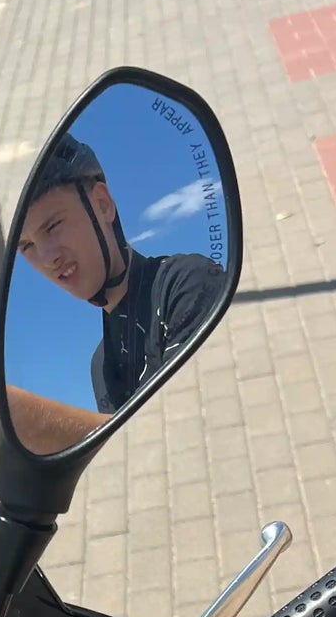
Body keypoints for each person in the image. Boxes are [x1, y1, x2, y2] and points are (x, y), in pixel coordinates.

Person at [16, 133, 227, 415]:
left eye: (53, 227)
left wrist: (34, 417)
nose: (47, 258)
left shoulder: (185, 282)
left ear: (102, 205)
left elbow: (183, 418)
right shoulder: (100, 363)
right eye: (27, 246)